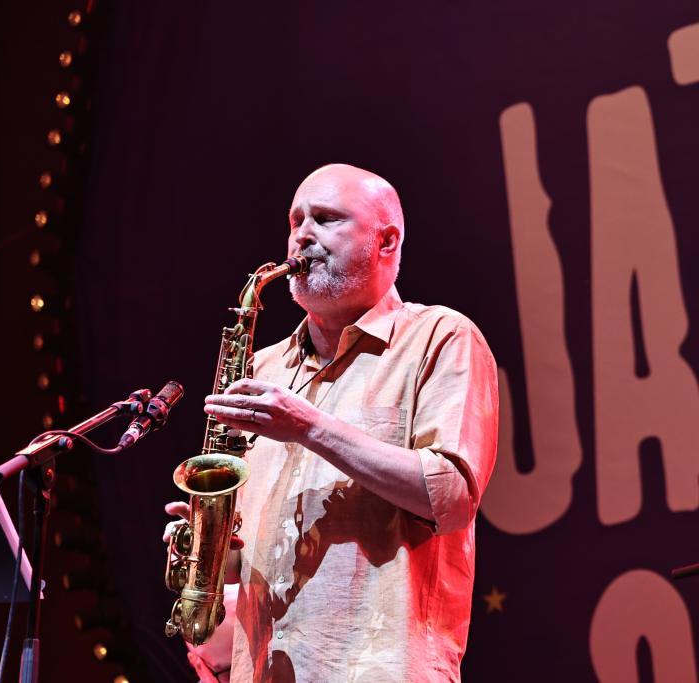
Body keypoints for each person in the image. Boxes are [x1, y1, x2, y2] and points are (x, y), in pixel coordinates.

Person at [164, 164, 499, 682]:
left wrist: (308, 427)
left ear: (386, 241)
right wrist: (214, 553)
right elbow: (250, 561)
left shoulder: (440, 337)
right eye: (295, 221)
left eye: (325, 219)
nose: (302, 235)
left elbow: (451, 496)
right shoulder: (263, 369)